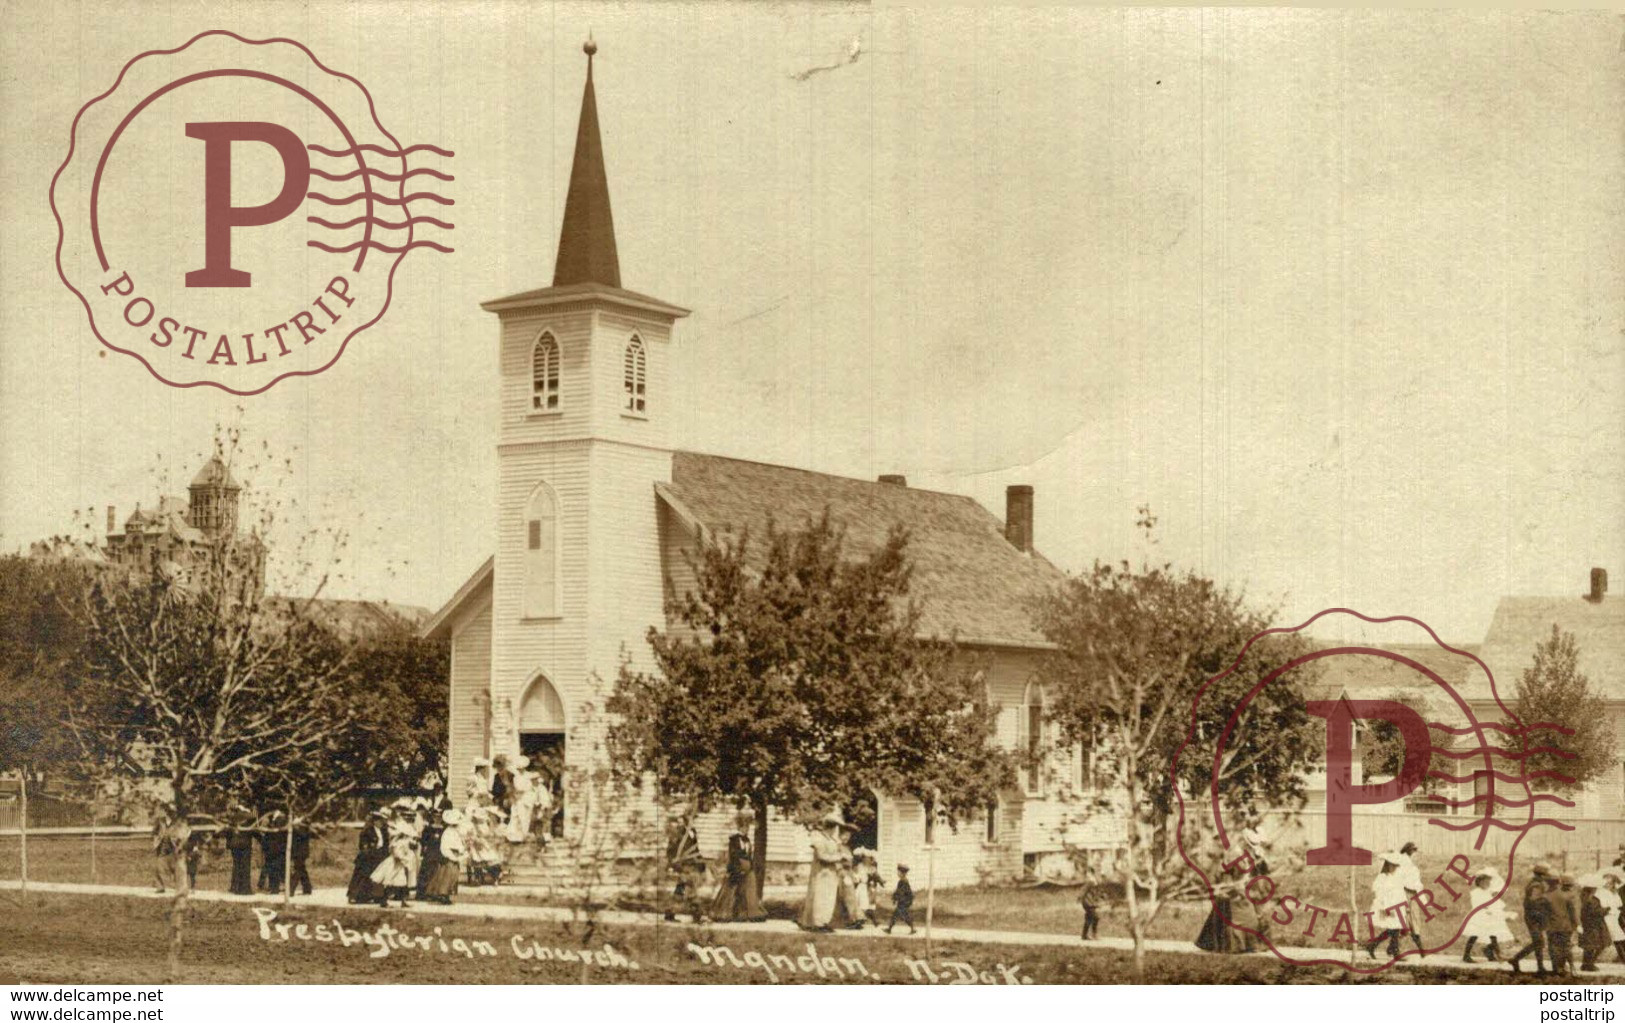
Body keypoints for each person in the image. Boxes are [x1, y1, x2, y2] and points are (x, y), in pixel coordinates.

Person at [798, 812, 851, 931]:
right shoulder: (819, 838)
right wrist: (839, 857)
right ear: (830, 827)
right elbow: (822, 856)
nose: (835, 830)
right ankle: (818, 923)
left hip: (832, 873)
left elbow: (835, 853)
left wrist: (840, 862)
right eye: (834, 827)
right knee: (820, 897)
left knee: (829, 897)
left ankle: (825, 921)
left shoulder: (832, 840)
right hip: (822, 872)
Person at [710, 810, 766, 922]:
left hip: (747, 866)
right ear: (740, 827)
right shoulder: (734, 839)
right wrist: (737, 868)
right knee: (732, 890)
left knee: (748, 890)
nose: (747, 829)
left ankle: (748, 914)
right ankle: (725, 913)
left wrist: (749, 865)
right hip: (737, 866)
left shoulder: (747, 840)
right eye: (745, 827)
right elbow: (733, 854)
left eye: (748, 827)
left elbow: (749, 854)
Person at [1362, 852, 1411, 960]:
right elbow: (1379, 893)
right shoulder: (1382, 877)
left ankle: (1374, 946)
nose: (1393, 868)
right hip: (1388, 905)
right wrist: (1385, 908)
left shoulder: (1396, 877)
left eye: (1395, 866)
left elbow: (1400, 892)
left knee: (1394, 929)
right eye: (1391, 865)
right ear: (1387, 865)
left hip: (1397, 905)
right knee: (1394, 928)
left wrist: (1405, 906)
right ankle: (1394, 951)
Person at [1509, 863, 1555, 976]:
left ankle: (1538, 967)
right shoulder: (1536, 885)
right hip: (1534, 917)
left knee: (1538, 942)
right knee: (1539, 942)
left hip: (1534, 916)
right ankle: (1516, 959)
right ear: (1542, 875)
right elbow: (1534, 902)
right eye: (1546, 874)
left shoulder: (1536, 883)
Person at [1463, 868, 1515, 963]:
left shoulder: (1487, 892)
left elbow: (1495, 898)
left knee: (1493, 934)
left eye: (1489, 882)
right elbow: (1478, 904)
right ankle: (1466, 955)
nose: (1487, 884)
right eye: (1485, 882)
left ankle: (1494, 953)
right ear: (1479, 882)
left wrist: (1496, 911)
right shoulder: (1476, 892)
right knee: (1474, 935)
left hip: (1488, 916)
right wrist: (1487, 910)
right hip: (1478, 916)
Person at [370, 806, 418, 907]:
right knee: (390, 881)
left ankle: (403, 901)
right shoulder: (397, 842)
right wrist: (402, 858)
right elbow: (396, 852)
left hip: (401, 863)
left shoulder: (405, 841)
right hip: (395, 863)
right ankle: (384, 900)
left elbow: (409, 848)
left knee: (402, 883)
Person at [665, 812, 709, 923]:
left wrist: (701, 864)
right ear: (686, 820)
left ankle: (669, 913)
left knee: (680, 890)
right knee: (691, 889)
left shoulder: (693, 832)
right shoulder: (679, 833)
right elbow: (670, 850)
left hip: (693, 864)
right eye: (692, 818)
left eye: (694, 819)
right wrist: (674, 865)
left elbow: (695, 850)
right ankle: (698, 916)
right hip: (684, 866)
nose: (694, 821)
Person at [421, 809, 466, 904]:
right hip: (449, 855)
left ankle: (444, 894)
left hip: (454, 855)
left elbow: (458, 843)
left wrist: (461, 850)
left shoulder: (454, 831)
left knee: (452, 876)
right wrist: (451, 854)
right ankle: (442, 895)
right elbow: (446, 846)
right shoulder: (448, 832)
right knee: (447, 876)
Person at [347, 809, 389, 904]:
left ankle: (373, 896)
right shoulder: (367, 831)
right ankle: (354, 896)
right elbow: (363, 845)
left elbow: (386, 844)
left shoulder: (383, 831)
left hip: (379, 856)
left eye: (381, 821)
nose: (380, 823)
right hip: (367, 857)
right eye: (378, 821)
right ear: (374, 822)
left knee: (376, 877)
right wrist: (369, 851)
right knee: (361, 876)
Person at [1545, 873, 1580, 978]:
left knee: (1553, 947)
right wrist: (1578, 924)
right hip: (1565, 926)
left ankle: (1557, 968)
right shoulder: (1568, 895)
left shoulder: (1545, 895)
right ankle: (1572, 967)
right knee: (1566, 947)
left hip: (1551, 926)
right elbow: (1573, 912)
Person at [1395, 841, 1426, 957]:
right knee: (1406, 923)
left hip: (1412, 895)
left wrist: (1423, 900)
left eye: (1415, 850)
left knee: (1411, 922)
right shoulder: (1403, 862)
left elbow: (1417, 884)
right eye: (1413, 850)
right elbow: (1402, 881)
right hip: (1404, 893)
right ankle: (1421, 950)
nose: (1414, 853)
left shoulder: (1410, 864)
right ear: (1408, 850)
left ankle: (1389, 948)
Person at [1578, 875, 1609, 973]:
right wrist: (1606, 910)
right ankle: (1589, 964)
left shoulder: (1583, 896)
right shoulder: (1590, 899)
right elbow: (1594, 912)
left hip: (1588, 924)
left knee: (1589, 945)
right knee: (1597, 944)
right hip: (1594, 925)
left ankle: (1586, 964)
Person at [151, 813, 186, 894]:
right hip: (162, 846)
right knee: (158, 866)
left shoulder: (177, 822)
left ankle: (178, 886)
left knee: (176, 867)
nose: (169, 813)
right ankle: (160, 887)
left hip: (174, 846)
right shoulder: (160, 821)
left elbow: (183, 833)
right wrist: (156, 840)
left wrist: (179, 842)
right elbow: (154, 832)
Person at [505, 756, 537, 843]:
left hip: (526, 799)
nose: (520, 770)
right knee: (515, 816)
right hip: (517, 798)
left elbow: (528, 789)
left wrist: (522, 795)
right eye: (518, 768)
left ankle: (523, 836)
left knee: (524, 817)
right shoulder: (516, 777)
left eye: (521, 768)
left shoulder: (528, 776)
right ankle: (513, 836)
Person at [225, 814, 256, 896]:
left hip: (235, 847)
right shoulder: (249, 822)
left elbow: (227, 835)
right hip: (245, 847)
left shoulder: (233, 821)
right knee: (245, 867)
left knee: (236, 866)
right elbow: (254, 833)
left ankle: (235, 887)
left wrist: (229, 844)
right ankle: (244, 889)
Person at [1599, 868, 1625, 964]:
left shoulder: (1615, 893)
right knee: (1617, 938)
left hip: (1615, 917)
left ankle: (1622, 957)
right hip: (1608, 917)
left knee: (1619, 937)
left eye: (1611, 883)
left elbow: (1619, 904)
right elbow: (1603, 905)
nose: (1609, 884)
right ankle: (1623, 958)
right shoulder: (1601, 892)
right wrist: (1609, 908)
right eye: (1607, 882)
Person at [259, 812, 289, 894]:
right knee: (272, 868)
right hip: (271, 848)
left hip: (276, 848)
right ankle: (273, 887)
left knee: (275, 868)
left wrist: (267, 830)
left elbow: (277, 833)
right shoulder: (273, 819)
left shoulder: (281, 819)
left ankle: (275, 888)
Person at [884, 863, 916, 935]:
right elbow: (898, 892)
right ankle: (889, 929)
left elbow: (901, 892)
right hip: (904, 901)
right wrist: (895, 898)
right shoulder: (902, 880)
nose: (897, 873)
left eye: (899, 872)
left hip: (904, 902)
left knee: (900, 915)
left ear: (903, 873)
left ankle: (890, 929)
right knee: (900, 915)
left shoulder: (903, 881)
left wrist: (895, 899)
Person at [287, 819, 314, 897]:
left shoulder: (304, 830)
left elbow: (301, 834)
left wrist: (293, 826)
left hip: (301, 853)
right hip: (298, 852)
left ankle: (291, 889)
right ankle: (307, 888)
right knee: (302, 870)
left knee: (298, 870)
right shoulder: (300, 829)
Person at [1080, 871, 1105, 941]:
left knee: (1089, 918)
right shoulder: (1091, 881)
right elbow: (1083, 890)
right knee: (1096, 917)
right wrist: (1081, 898)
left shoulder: (1095, 882)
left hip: (1091, 902)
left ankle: (1084, 935)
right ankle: (1094, 934)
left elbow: (1097, 893)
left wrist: (1101, 899)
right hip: (1088, 902)